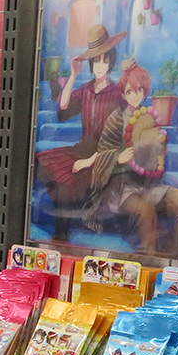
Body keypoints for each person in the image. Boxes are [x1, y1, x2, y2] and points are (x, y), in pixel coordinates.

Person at [75, 62, 178, 254]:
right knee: (146, 212)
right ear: (123, 94)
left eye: (139, 90)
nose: (135, 95)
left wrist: (159, 149)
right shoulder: (115, 118)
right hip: (120, 188)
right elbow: (103, 151)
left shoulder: (148, 117)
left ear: (145, 92)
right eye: (130, 91)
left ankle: (176, 251)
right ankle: (149, 257)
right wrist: (117, 157)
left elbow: (155, 153)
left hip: (149, 183)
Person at [34, 24, 127, 241]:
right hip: (81, 149)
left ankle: (62, 233)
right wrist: (74, 75)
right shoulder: (85, 89)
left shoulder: (117, 93)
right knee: (41, 165)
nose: (100, 66)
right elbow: (64, 106)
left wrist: (91, 160)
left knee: (68, 187)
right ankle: (63, 225)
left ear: (111, 62)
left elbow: (117, 140)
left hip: (102, 156)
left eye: (105, 60)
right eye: (96, 61)